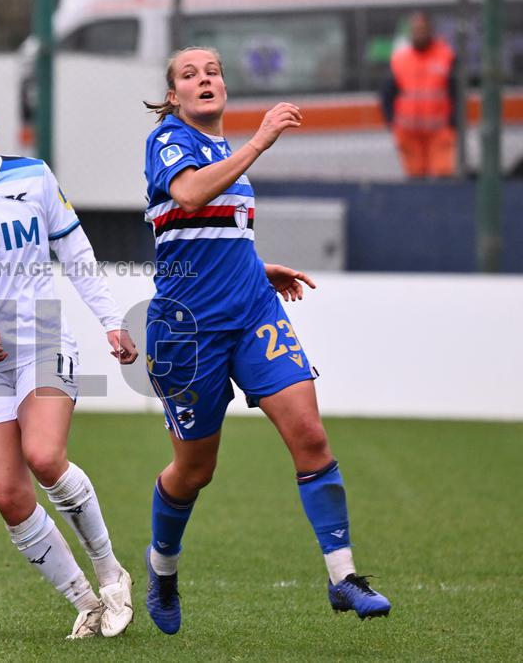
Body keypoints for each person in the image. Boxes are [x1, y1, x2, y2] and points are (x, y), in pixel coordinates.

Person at [139, 47, 391, 634]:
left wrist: (258, 267)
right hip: (189, 329)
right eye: (189, 75)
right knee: (194, 470)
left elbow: (212, 230)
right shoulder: (169, 141)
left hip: (253, 310)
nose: (205, 79)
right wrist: (260, 142)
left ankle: (343, 577)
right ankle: (162, 567)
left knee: (309, 433)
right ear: (173, 96)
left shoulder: (225, 152)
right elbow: (191, 196)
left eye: (213, 72)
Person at [0, 84, 139, 639]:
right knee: (9, 496)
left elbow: (76, 252)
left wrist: (112, 321)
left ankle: (111, 575)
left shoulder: (34, 175)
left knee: (43, 456)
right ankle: (85, 602)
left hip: (43, 336)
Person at [381, 10, 457, 178]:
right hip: (409, 133)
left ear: (430, 30)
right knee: (416, 180)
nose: (419, 34)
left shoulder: (445, 56)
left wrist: (453, 122)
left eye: (423, 29)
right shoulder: (400, 59)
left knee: (443, 176)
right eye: (415, 30)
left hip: (439, 132)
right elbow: (386, 94)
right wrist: (392, 123)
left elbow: (456, 93)